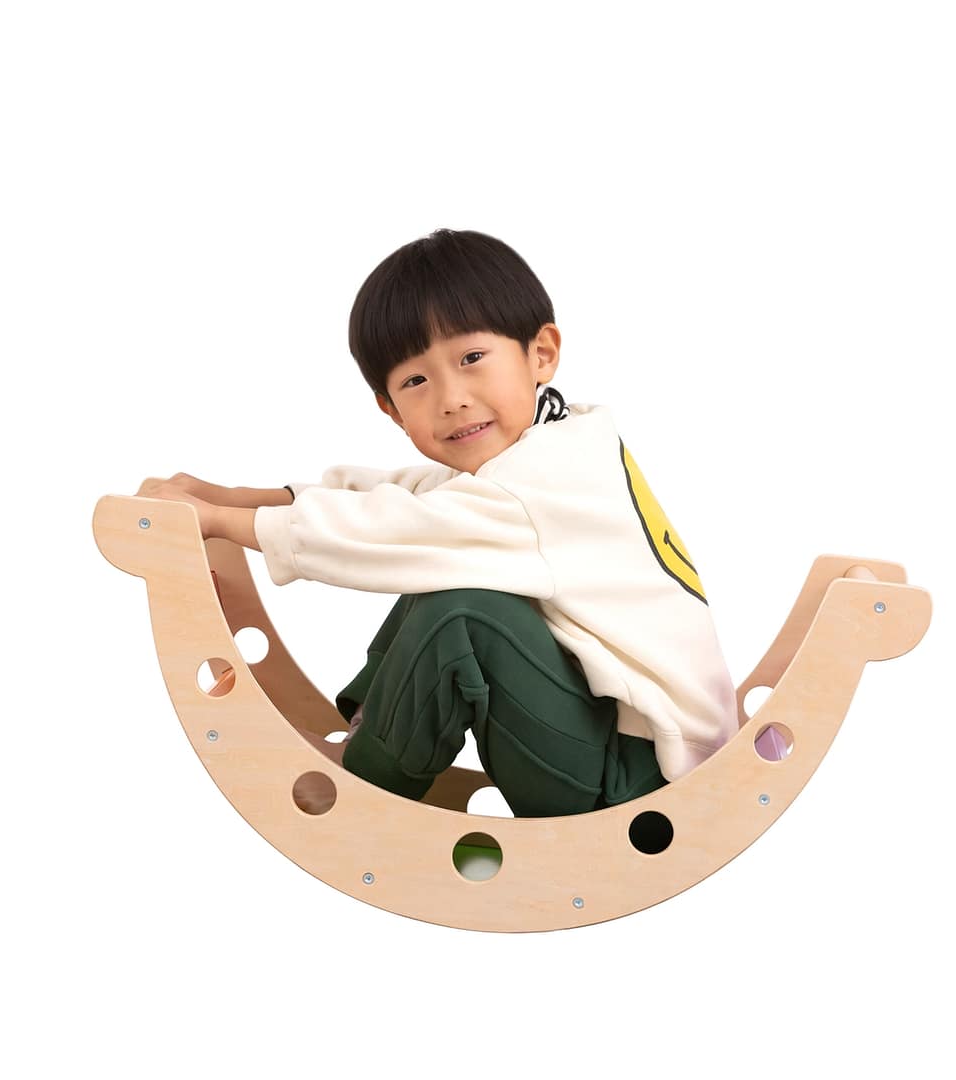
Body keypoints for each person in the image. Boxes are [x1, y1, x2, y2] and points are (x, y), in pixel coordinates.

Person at [144, 228, 738, 819]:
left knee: (462, 606)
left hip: (640, 782)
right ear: (391, 409)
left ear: (541, 354)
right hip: (624, 742)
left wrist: (219, 521)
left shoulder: (535, 489)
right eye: (416, 381)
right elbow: (407, 496)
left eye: (471, 359)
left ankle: (366, 780)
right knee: (445, 560)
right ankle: (372, 726)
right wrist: (228, 497)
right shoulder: (558, 442)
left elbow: (391, 529)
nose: (451, 398)